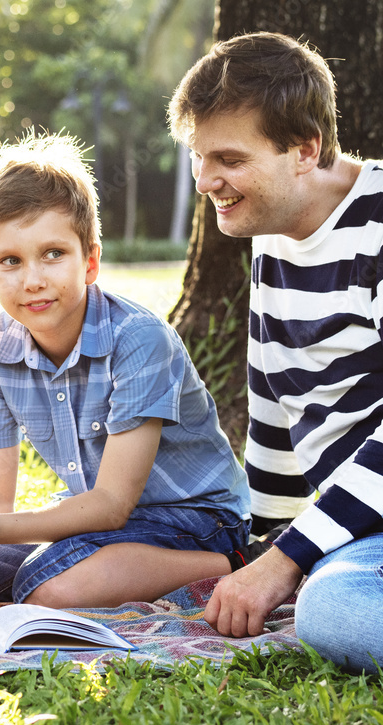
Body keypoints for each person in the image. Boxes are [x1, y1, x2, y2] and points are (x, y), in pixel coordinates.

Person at [0, 133, 251, 610]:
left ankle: (236, 563)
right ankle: (32, 590)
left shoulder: (139, 339)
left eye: (53, 254)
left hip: (195, 521)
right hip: (95, 525)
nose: (33, 279)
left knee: (51, 586)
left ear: (90, 260)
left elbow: (111, 504)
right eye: (10, 262)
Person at [169, 32, 383, 672]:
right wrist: (265, 548)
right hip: (359, 527)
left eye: (229, 159)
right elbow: (276, 398)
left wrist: (287, 561)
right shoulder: (275, 229)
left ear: (305, 150)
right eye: (200, 158)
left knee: (335, 613)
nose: (208, 181)